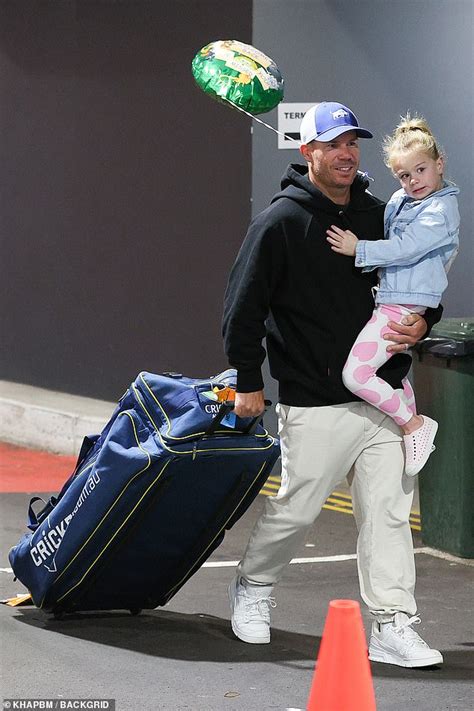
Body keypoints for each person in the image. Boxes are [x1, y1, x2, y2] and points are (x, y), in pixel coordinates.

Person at [222, 101, 444, 667]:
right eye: (333, 144)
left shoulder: (379, 213)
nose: (346, 154)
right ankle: (253, 586)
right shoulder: (279, 222)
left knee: (389, 514)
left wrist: (425, 322)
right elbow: (242, 309)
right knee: (296, 508)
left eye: (353, 143)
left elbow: (419, 273)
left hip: (384, 392)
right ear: (308, 152)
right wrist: (249, 380)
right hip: (315, 395)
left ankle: (392, 623)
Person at [327, 115, 460, 477]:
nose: (414, 181)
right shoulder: (404, 200)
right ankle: (411, 430)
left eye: (421, 170)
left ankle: (414, 425)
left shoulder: (441, 210)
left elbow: (407, 247)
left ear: (439, 164)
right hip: (392, 298)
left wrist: (360, 250)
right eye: (404, 175)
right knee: (393, 374)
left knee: (356, 375)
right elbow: (382, 216)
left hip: (403, 304)